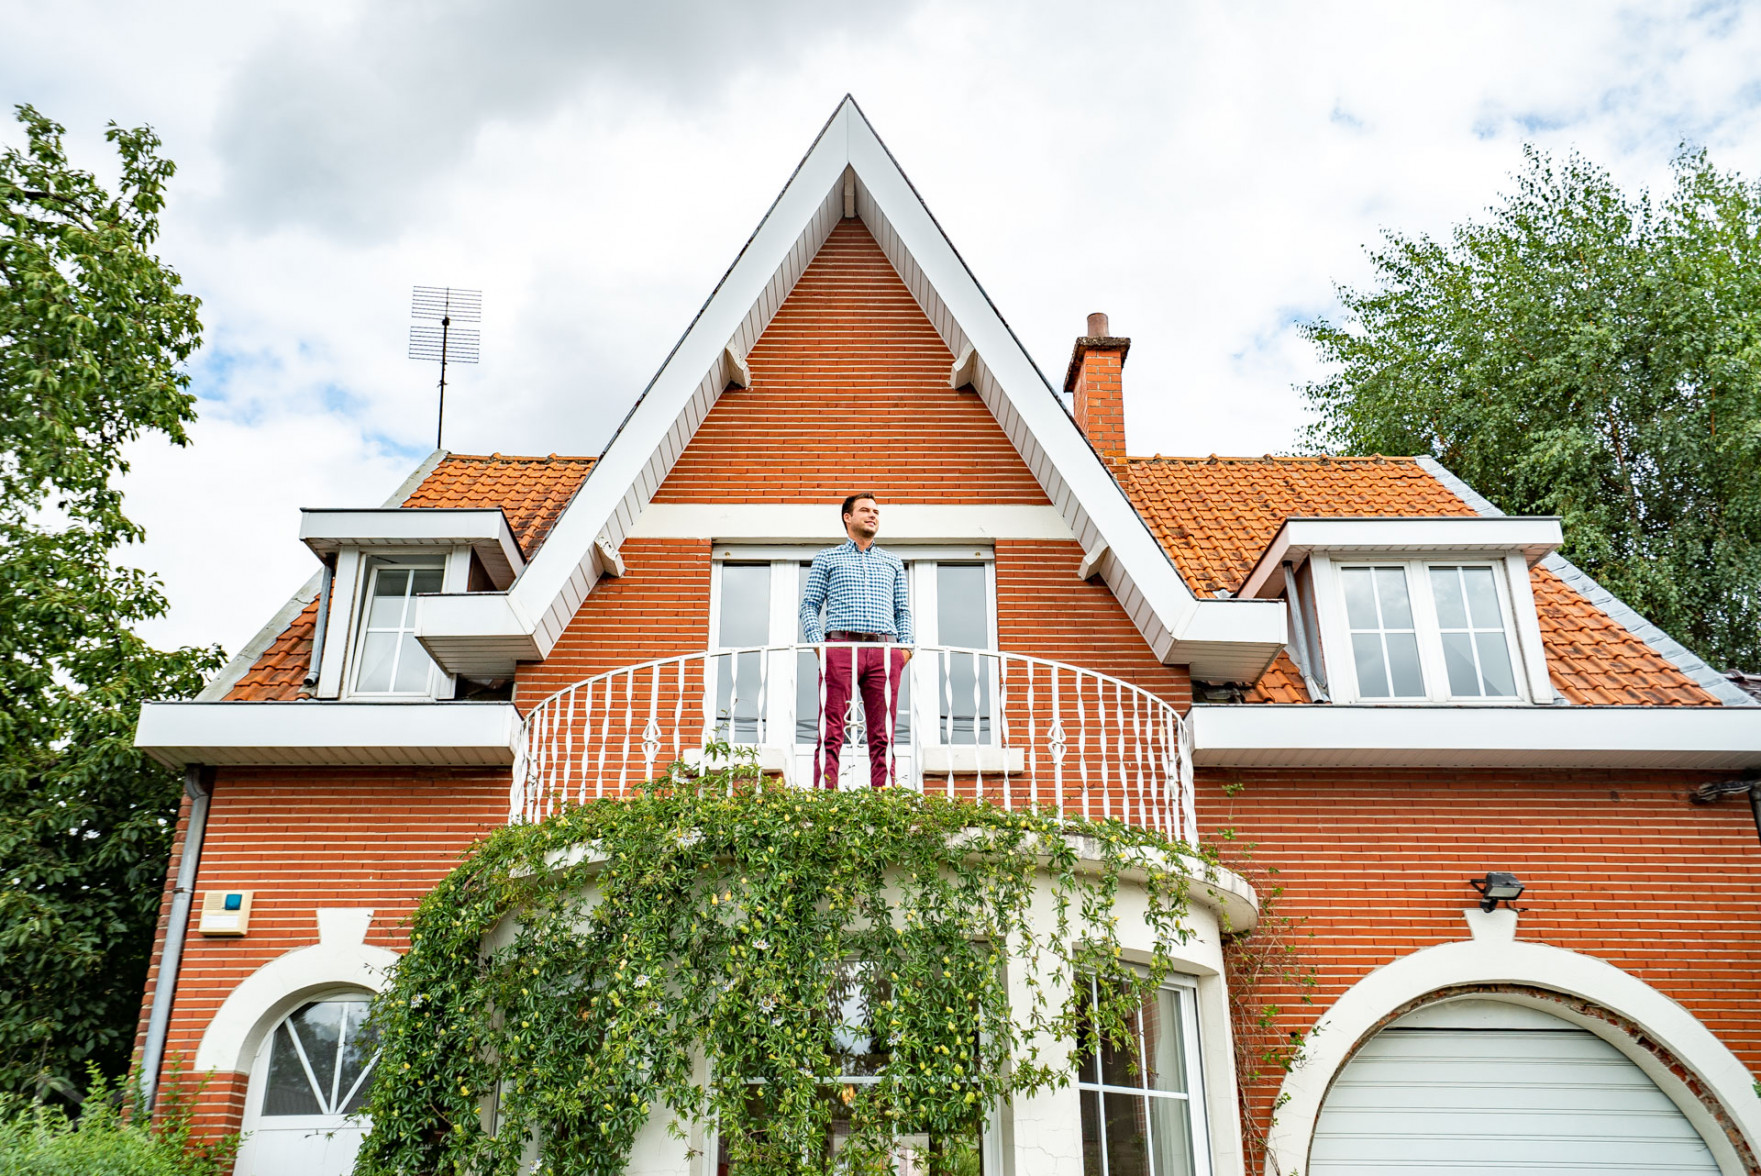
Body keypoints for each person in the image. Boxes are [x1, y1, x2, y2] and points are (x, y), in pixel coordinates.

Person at [799, 492, 913, 789]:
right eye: (865, 510)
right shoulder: (827, 557)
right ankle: (825, 799)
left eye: (876, 511)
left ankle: (883, 801)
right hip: (839, 647)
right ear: (848, 517)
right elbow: (809, 605)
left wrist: (905, 650)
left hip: (885, 651)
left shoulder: (893, 562)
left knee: (883, 733)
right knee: (831, 728)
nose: (873, 515)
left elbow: (903, 609)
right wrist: (819, 646)